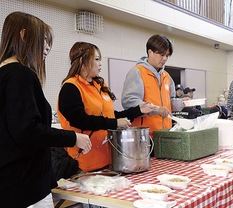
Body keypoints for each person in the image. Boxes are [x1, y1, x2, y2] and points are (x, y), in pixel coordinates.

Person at [0, 12, 91, 208]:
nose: (47, 47)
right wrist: (73, 137)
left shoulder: (4, 74)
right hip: (26, 187)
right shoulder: (20, 74)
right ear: (24, 35)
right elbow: (27, 130)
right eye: (43, 40)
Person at [57, 42, 156, 174]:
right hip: (83, 163)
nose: (100, 63)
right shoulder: (71, 87)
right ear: (83, 61)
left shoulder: (100, 85)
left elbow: (110, 115)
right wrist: (114, 124)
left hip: (107, 159)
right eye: (96, 59)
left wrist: (138, 110)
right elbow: (79, 120)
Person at [121, 34, 175, 138]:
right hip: (145, 136)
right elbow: (129, 101)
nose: (164, 59)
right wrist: (156, 109)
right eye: (161, 55)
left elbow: (171, 101)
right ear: (150, 52)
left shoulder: (166, 76)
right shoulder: (137, 72)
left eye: (167, 55)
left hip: (166, 134)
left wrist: (182, 103)